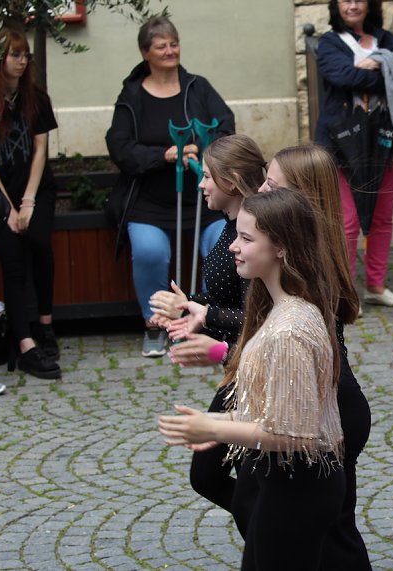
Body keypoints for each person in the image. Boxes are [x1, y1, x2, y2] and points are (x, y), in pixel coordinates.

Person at [158, 188, 345, 570]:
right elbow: (275, 413)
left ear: (280, 247)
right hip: (286, 481)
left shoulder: (289, 329)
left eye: (246, 238)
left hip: (298, 487)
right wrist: (216, 420)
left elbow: (295, 435)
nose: (233, 246)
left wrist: (215, 427)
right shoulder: (280, 311)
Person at [260, 144, 371, 569]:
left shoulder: (307, 261)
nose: (262, 190)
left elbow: (283, 332)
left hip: (333, 407)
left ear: (301, 197)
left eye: (272, 184)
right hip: (333, 402)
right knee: (327, 534)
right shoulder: (307, 247)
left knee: (335, 537)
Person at [148, 134, 264, 526]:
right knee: (214, 477)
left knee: (229, 480)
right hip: (238, 366)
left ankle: (274, 542)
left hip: (253, 370)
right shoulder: (229, 227)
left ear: (231, 181)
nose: (201, 184)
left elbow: (255, 316)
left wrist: (204, 314)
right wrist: (187, 306)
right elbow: (223, 299)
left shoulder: (251, 236)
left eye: (208, 177)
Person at [105, 16, 234, 359]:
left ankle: (206, 320)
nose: (170, 51)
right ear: (145, 52)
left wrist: (204, 150)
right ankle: (156, 324)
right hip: (149, 201)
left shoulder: (197, 87)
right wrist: (162, 155)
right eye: (161, 46)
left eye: (174, 44)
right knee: (149, 251)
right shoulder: (132, 94)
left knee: (223, 245)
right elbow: (119, 145)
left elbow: (226, 127)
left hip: (204, 199)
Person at [315, 0, 393, 310]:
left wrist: (373, 66)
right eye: (346, 0)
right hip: (341, 144)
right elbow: (343, 77)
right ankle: (344, 293)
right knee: (347, 221)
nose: (353, 5)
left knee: (382, 218)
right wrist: (385, 68)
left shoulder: (387, 39)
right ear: (336, 6)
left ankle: (375, 286)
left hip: (383, 141)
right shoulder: (329, 42)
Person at [0, 28, 61, 379]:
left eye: (25, 56)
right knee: (12, 257)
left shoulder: (36, 97)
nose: (21, 62)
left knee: (38, 242)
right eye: (14, 55)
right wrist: (9, 207)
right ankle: (25, 344)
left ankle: (45, 325)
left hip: (36, 189)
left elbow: (40, 150)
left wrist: (29, 200)